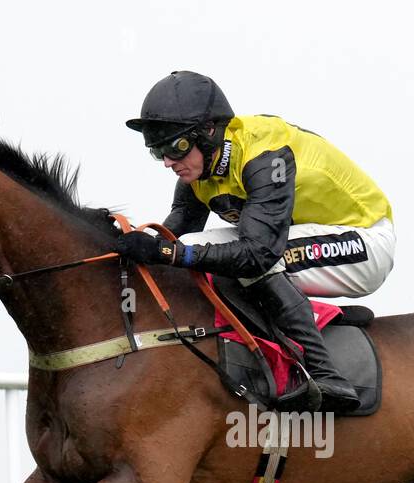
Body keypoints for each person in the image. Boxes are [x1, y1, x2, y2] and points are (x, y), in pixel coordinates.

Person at [119, 70, 395, 412]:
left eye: (176, 147)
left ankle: (327, 374)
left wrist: (166, 252)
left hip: (364, 241)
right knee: (195, 244)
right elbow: (177, 235)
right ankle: (284, 332)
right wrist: (130, 244)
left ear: (208, 132)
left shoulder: (265, 156)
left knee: (252, 259)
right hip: (302, 239)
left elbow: (257, 253)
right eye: (157, 150)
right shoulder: (201, 166)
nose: (168, 162)